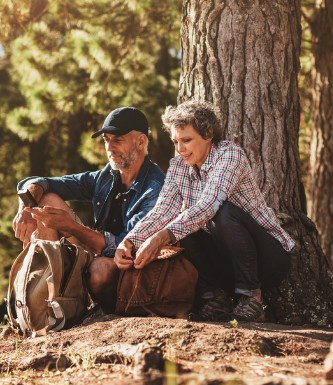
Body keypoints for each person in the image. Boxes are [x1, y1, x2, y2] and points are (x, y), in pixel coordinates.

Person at [113, 100, 295, 322]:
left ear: (208, 134)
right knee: (181, 226)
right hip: (226, 263)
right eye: (175, 141)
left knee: (222, 212)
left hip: (268, 258)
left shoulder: (230, 155)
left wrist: (160, 238)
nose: (180, 149)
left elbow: (208, 206)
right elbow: (163, 211)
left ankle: (252, 299)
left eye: (187, 140)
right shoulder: (178, 166)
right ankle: (215, 298)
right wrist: (131, 241)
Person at [12, 106, 165, 308]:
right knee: (45, 199)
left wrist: (72, 227)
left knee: (99, 269)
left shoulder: (155, 188)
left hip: (130, 267)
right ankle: (41, 304)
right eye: (106, 140)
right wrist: (25, 206)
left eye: (117, 140)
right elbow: (41, 181)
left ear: (141, 141)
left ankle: (76, 305)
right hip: (97, 257)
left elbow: (127, 245)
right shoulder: (106, 176)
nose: (109, 148)